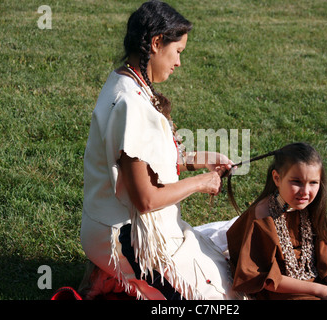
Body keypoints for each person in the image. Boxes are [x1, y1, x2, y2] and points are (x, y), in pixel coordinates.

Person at [80, 0, 236, 300]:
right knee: (217, 300)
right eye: (177, 52)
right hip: (125, 237)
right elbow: (147, 200)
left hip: (113, 225)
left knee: (219, 268)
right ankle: (114, 273)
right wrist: (202, 183)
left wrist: (204, 161)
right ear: (155, 43)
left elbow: (150, 161)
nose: (178, 62)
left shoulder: (124, 81)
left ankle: (113, 273)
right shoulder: (132, 105)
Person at [226, 142, 327, 300]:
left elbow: (323, 263)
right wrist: (319, 291)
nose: (305, 192)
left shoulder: (309, 208)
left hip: (314, 283)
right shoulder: (262, 218)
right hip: (281, 292)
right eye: (296, 182)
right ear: (277, 178)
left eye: (313, 183)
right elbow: (265, 280)